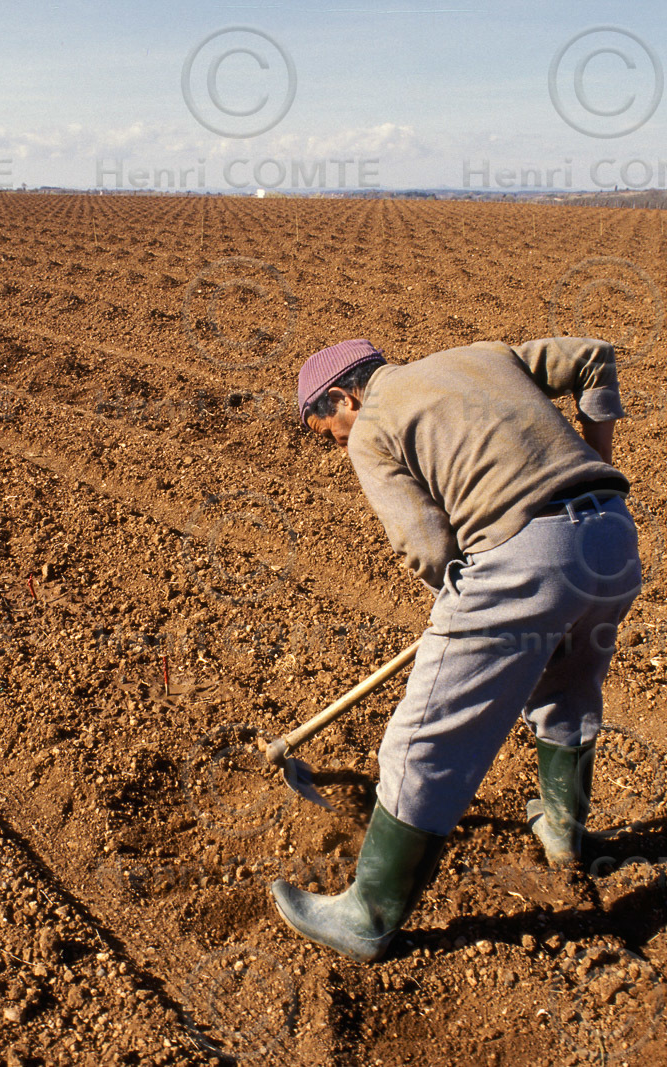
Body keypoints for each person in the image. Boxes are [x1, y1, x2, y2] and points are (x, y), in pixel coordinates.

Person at [270, 337, 641, 962]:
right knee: (566, 688)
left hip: (527, 559)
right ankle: (563, 831)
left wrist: (468, 605)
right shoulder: (486, 355)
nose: (340, 446)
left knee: (425, 734)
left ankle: (367, 916)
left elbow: (428, 547)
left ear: (343, 396)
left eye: (331, 432)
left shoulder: (373, 427)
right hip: (612, 541)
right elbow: (593, 356)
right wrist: (596, 462)